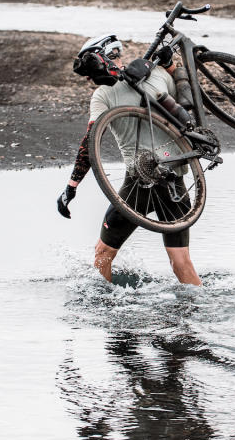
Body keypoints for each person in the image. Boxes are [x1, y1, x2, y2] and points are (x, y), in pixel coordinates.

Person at [56, 34, 202, 286]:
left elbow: (89, 144)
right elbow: (188, 101)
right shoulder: (158, 75)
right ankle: (199, 315)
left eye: (90, 72)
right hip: (175, 182)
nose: (90, 79)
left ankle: (108, 308)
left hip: (139, 185)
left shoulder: (103, 95)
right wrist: (172, 67)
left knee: (102, 255)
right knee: (181, 264)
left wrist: (72, 186)